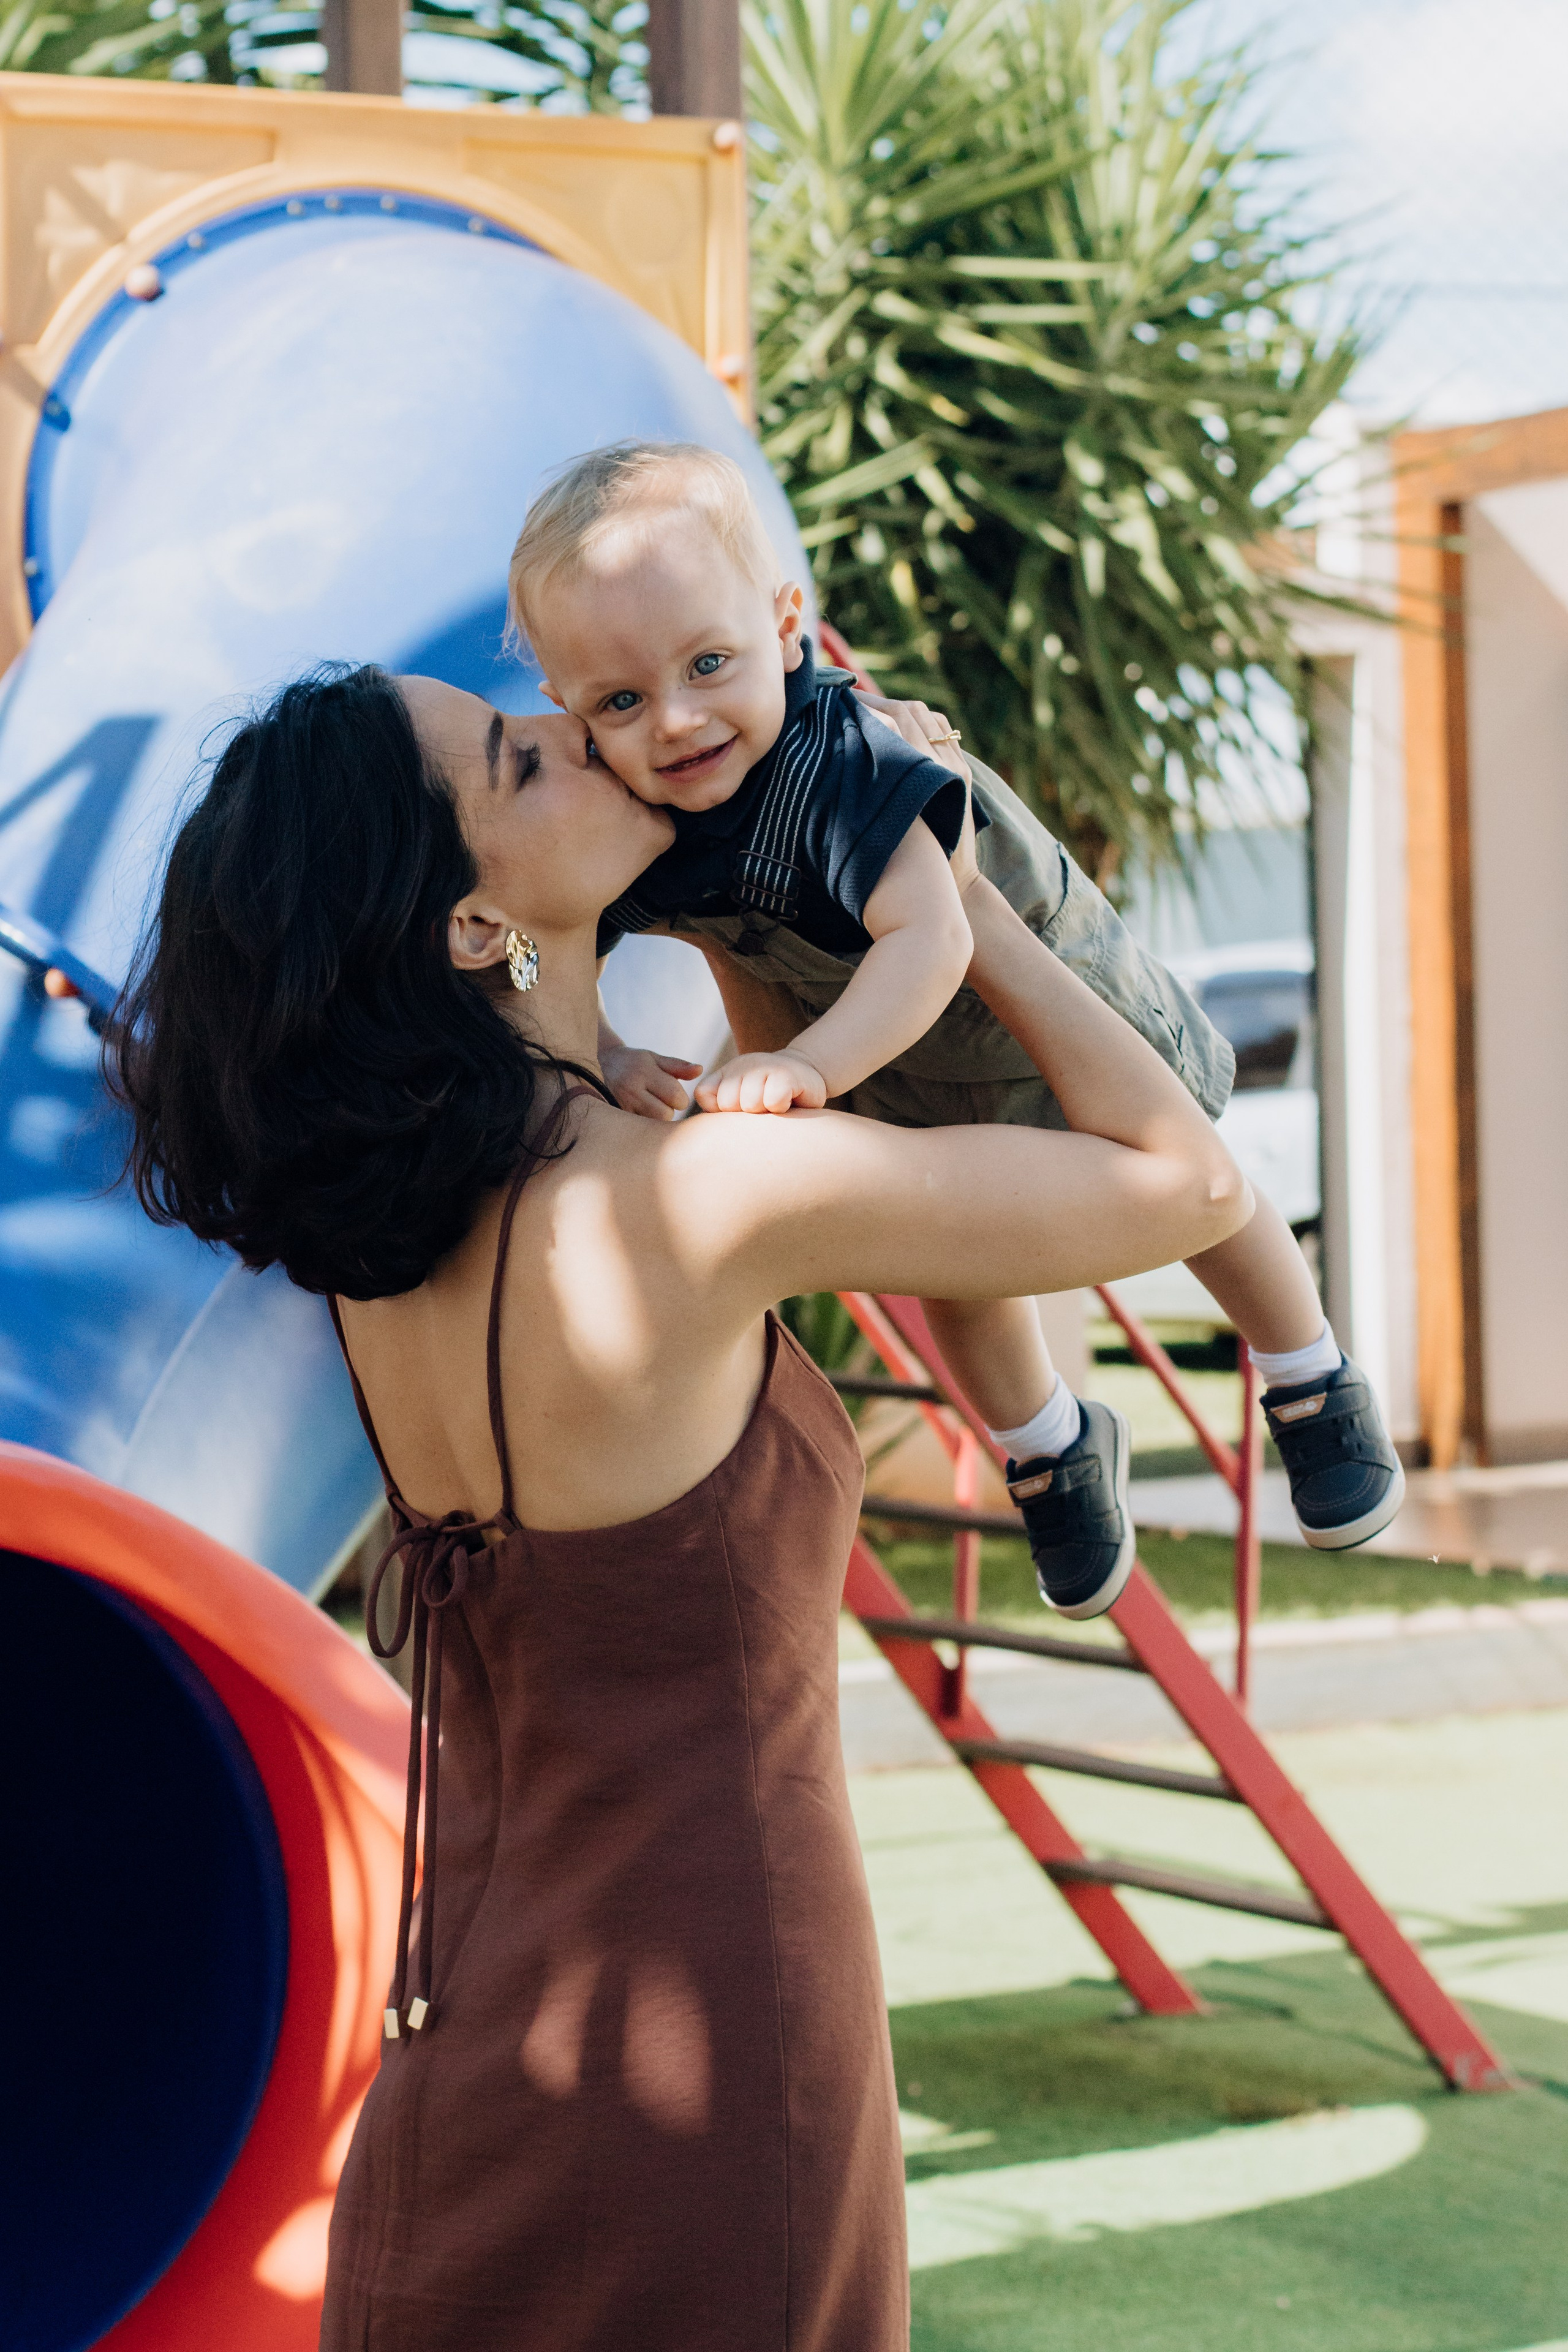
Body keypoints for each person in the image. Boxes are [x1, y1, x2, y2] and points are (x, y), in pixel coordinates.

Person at [110, 660, 1250, 2351]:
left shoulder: (396, 1240)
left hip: (475, 2041)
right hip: (711, 2039)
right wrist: (948, 870)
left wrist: (731, 899)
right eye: (521, 758)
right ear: (469, 922)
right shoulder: (693, 1202)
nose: (578, 733)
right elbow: (1188, 1176)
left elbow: (779, 1091)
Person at [508, 440, 1405, 1619]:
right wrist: (608, 1052)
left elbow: (933, 939)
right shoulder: (647, 809)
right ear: (571, 717)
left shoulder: (846, 764)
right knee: (957, 1267)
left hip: (1032, 1000)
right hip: (895, 1051)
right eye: (621, 701)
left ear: (788, 629)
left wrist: (808, 1067)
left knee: (1208, 1189)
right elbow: (560, 946)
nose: (675, 722)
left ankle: (1311, 1374)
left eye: (708, 663)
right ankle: (1048, 1446)